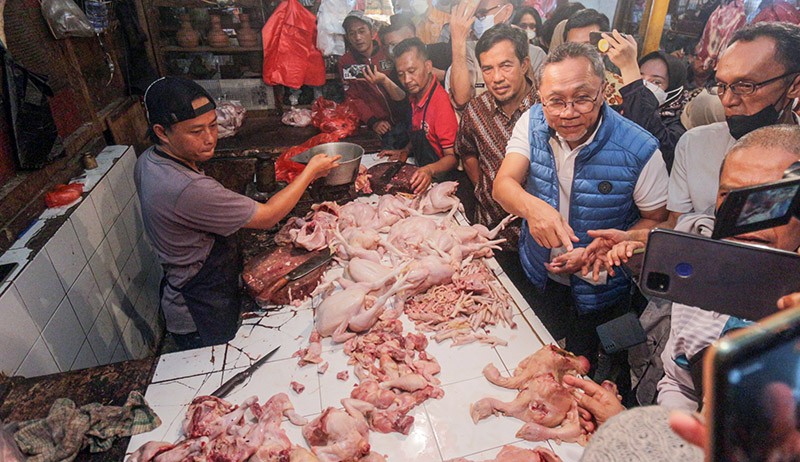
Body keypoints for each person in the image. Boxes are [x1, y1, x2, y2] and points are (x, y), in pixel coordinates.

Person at [492, 42, 669, 372]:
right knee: (534, 357)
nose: (569, 112)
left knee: (585, 366)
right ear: (540, 97)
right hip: (541, 276)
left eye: (582, 98)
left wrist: (610, 247)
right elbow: (503, 185)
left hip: (601, 287)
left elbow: (659, 221)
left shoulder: (640, 148)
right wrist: (533, 209)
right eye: (555, 101)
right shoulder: (531, 124)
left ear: (603, 91)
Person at [135, 77, 340, 350]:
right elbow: (267, 216)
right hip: (201, 311)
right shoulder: (187, 188)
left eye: (212, 125)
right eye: (196, 131)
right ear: (162, 132)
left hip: (194, 291)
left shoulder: (149, 160)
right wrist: (310, 172)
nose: (210, 138)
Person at [586, 22, 800, 252]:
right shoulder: (695, 144)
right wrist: (636, 239)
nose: (728, 100)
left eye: (746, 86)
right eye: (721, 86)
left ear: (794, 86)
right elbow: (675, 224)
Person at [455, 24, 537, 289]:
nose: (496, 77)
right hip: (490, 234)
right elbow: (466, 150)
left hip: (537, 240)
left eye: (506, 66)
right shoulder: (476, 111)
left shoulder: (546, 110)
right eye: (488, 69)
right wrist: (483, 185)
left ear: (524, 64)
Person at [603, 31, 693, 172]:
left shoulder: (679, 129)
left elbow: (645, 135)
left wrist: (629, 68)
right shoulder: (618, 110)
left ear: (674, 90)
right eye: (640, 77)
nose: (645, 85)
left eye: (656, 82)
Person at [379, 38, 459, 194]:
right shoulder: (416, 96)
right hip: (423, 174)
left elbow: (452, 158)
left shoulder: (441, 104)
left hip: (441, 182)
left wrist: (429, 170)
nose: (407, 80)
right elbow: (422, 132)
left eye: (411, 71)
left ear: (428, 66)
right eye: (401, 74)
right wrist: (405, 150)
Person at [447, 0, 546, 109]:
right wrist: (458, 40)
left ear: (506, 11)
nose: (497, 78)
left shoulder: (535, 54)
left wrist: (522, 49)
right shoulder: (467, 50)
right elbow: (461, 99)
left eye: (483, 14)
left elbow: (539, 102)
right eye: (475, 15)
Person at [338, 11, 410, 150]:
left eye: (362, 31)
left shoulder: (388, 51)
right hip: (381, 126)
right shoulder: (346, 63)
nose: (357, 37)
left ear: (372, 32)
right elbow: (353, 97)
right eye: (352, 33)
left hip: (405, 118)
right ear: (347, 37)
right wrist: (373, 121)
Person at [562, 9, 625, 106]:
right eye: (573, 46)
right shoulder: (552, 83)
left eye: (588, 46)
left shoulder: (621, 89)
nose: (579, 53)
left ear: (604, 47)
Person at [379, 15, 452, 82]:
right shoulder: (396, 72)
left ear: (410, 35)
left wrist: (444, 76)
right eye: (387, 46)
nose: (391, 50)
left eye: (394, 44)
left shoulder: (444, 51)